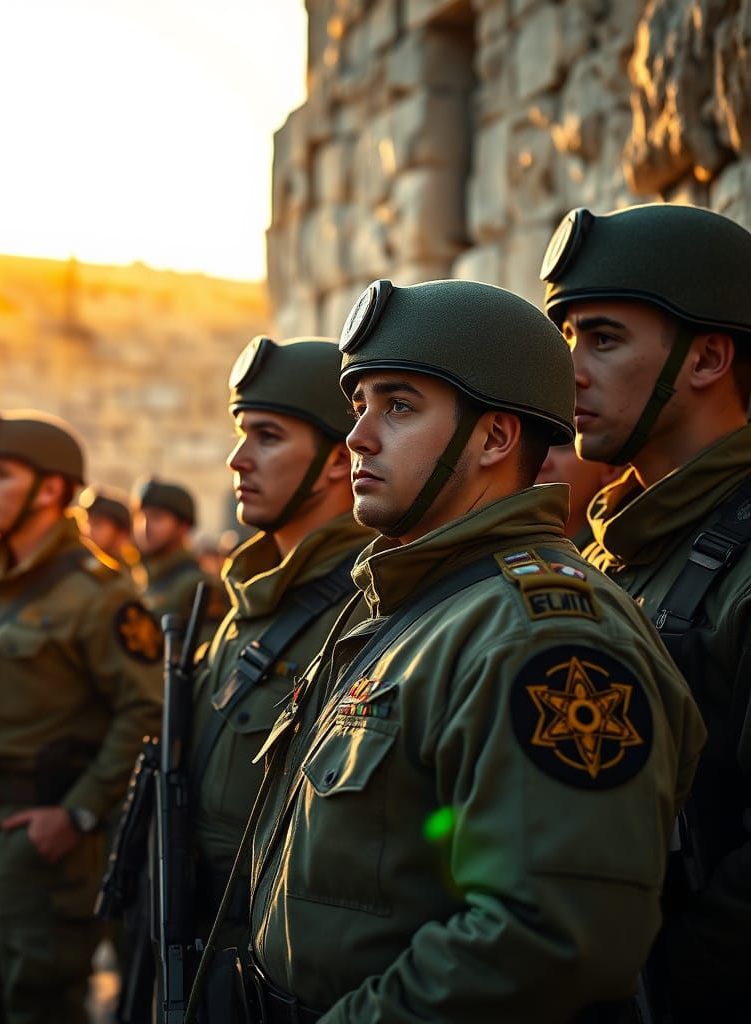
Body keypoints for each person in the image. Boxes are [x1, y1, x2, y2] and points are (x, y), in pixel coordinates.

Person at [241, 280, 706, 1023]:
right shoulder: (412, 606)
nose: (358, 435)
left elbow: (552, 937)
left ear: (494, 438)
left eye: (398, 406)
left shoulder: (543, 635)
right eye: (359, 404)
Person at [541, 201, 751, 1021]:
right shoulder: (611, 550)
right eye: (567, 341)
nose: (571, 374)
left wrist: (654, 986)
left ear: (706, 357)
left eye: (603, 338)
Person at [0, 406, 163, 1024]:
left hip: (38, 837)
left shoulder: (99, 593)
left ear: (52, 489)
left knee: (42, 1005)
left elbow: (147, 710)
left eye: (1, 474)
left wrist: (80, 810)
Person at [187, 335, 374, 959]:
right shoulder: (250, 596)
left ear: (336, 460)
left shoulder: (364, 604)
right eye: (243, 434)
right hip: (201, 929)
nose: (238, 459)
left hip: (274, 950)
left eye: (268, 437)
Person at [130, 477, 212, 621]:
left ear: (183, 527)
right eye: (141, 517)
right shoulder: (141, 576)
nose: (145, 527)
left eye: (157, 518)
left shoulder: (196, 585)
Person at [535, 443, 618, 548]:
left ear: (611, 467)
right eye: (529, 445)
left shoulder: (627, 555)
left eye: (562, 446)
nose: (542, 464)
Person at [76, 485, 138, 572]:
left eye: (97, 524)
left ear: (122, 532)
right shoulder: (77, 561)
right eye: (87, 523)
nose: (87, 531)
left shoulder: (133, 573)